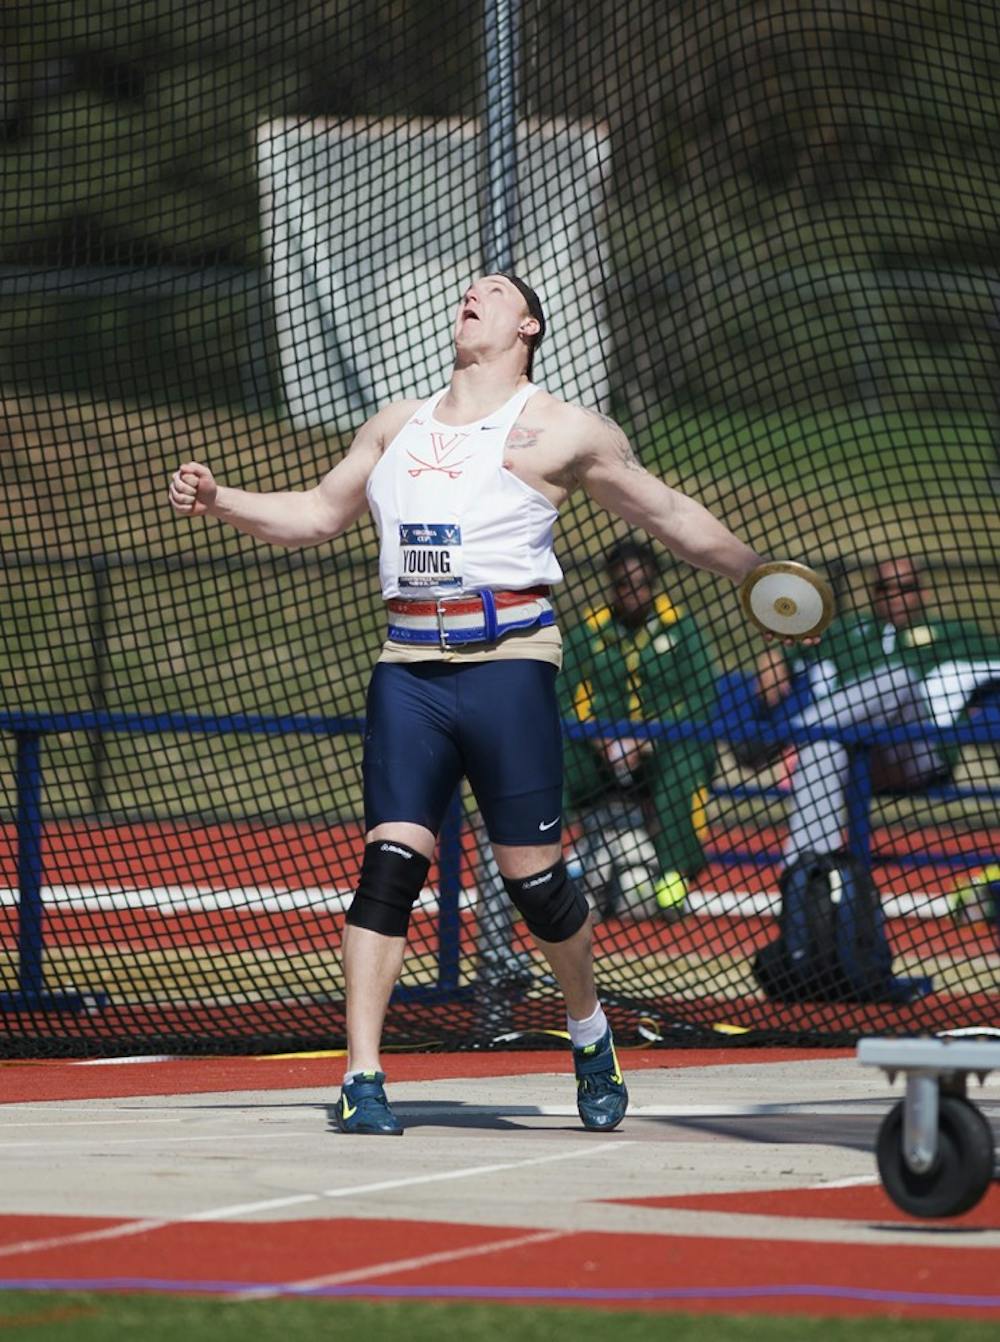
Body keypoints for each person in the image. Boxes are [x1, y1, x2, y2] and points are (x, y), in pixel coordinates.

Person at [169, 271, 785, 1137]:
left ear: (528, 324)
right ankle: (362, 1076)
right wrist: (219, 499)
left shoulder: (565, 427)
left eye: (494, 290)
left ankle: (589, 1032)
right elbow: (316, 513)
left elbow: (669, 512)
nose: (473, 293)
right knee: (390, 867)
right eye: (468, 288)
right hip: (409, 666)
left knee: (535, 888)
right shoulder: (395, 421)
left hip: (509, 663)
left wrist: (760, 577)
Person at [750, 556, 1000, 866]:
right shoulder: (844, 633)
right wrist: (775, 658)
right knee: (823, 747)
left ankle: (792, 735)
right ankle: (806, 876)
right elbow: (791, 649)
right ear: (872, 592)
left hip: (917, 755)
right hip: (857, 757)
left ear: (923, 592)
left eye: (905, 587)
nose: (895, 596)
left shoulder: (956, 636)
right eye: (885, 587)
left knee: (897, 679)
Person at [561, 538, 718, 918]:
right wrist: (597, 736)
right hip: (597, 751)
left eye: (642, 583)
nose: (633, 593)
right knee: (550, 762)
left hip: (659, 751)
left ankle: (672, 878)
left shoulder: (681, 627)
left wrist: (649, 738)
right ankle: (543, 871)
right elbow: (560, 697)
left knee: (686, 763)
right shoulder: (589, 629)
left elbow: (702, 699)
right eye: (622, 585)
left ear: (655, 583)